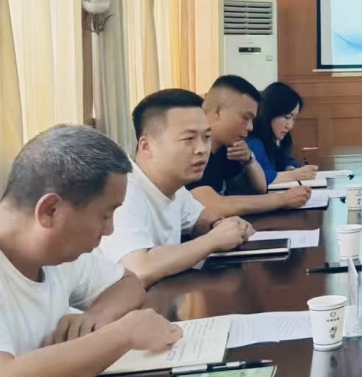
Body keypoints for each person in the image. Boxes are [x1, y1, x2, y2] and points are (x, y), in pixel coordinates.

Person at [0, 126, 183, 377]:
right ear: (50, 210)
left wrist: (96, 318)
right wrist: (122, 334)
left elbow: (128, 283)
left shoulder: (55, 251)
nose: (109, 229)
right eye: (105, 214)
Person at [100, 90, 256, 288]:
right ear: (146, 146)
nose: (202, 149)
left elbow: (199, 221)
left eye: (207, 137)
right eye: (188, 139)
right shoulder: (122, 191)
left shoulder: (174, 185)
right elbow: (140, 269)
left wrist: (221, 225)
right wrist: (214, 239)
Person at [188, 76, 309, 217]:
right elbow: (211, 205)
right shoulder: (192, 153)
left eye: (252, 120)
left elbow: (260, 188)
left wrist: (249, 160)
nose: (250, 127)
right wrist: (281, 199)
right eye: (246, 118)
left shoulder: (227, 148)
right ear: (218, 112)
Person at [248, 82, 318, 186]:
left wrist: (290, 167)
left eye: (294, 119)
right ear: (270, 113)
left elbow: (286, 159)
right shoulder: (253, 142)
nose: (290, 126)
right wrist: (294, 175)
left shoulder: (277, 139)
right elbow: (261, 177)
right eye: (287, 117)